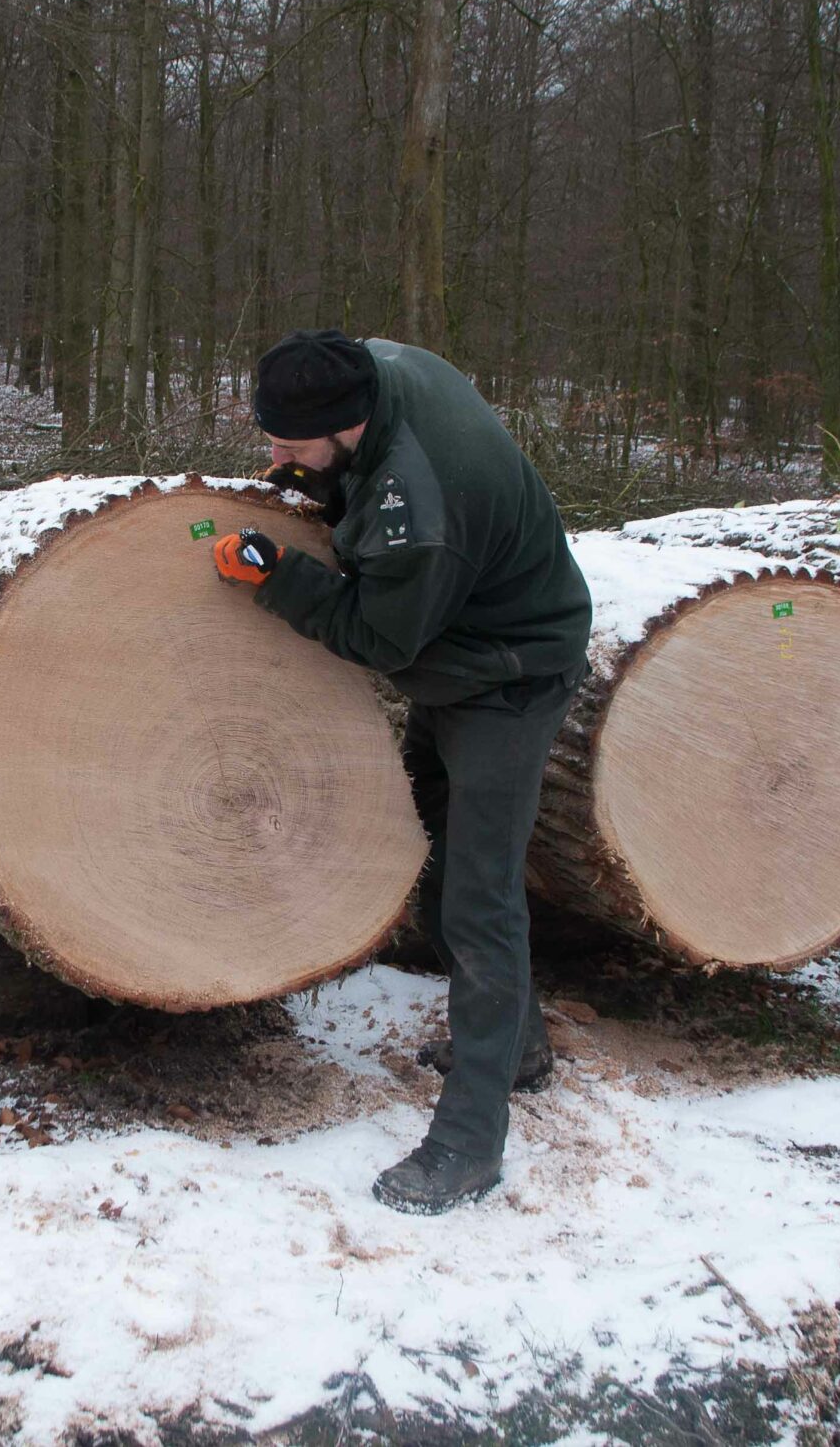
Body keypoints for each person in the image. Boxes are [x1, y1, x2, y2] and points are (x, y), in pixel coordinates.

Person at [211, 329, 591, 1214]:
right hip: (461, 644)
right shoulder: (375, 367)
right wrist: (310, 479)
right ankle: (520, 1046)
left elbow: (379, 637)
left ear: (352, 423)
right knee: (433, 850)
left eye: (293, 447)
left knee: (478, 896)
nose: (276, 459)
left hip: (510, 672)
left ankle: (469, 1141)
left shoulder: (417, 508)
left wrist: (278, 579)